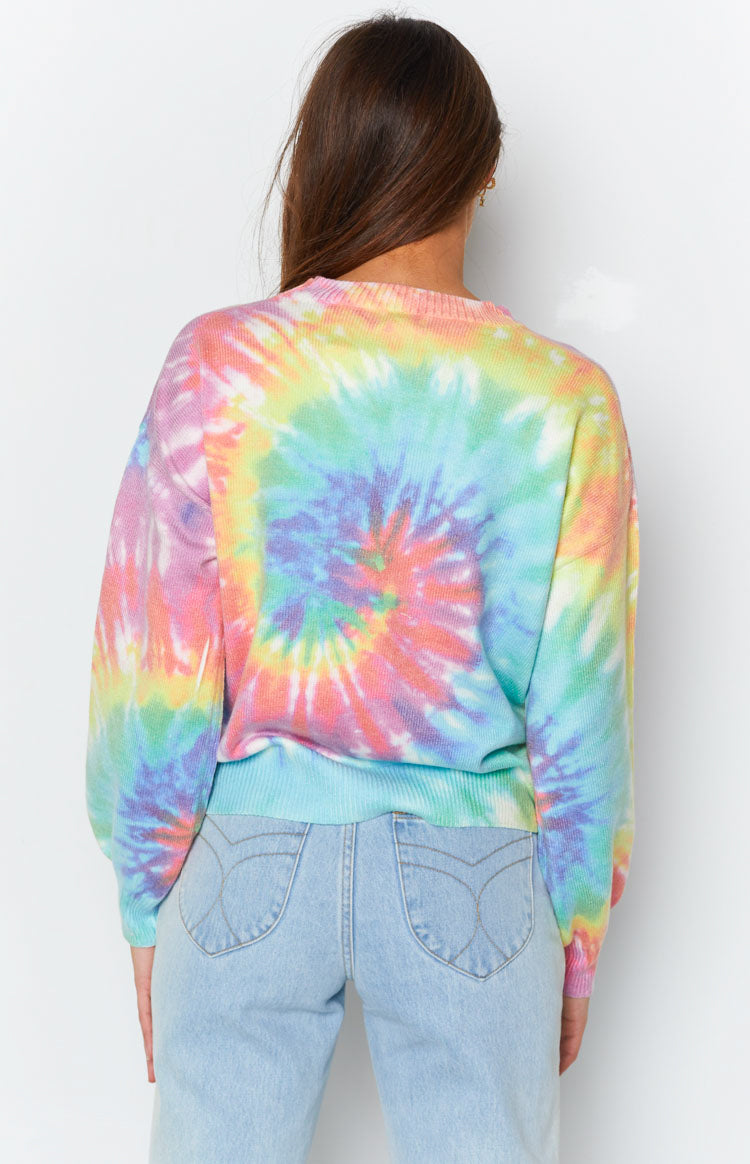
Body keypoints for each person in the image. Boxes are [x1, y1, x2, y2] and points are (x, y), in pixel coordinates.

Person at [85, 13, 639, 1163]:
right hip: (475, 865)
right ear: (484, 171)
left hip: (247, 855)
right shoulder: (565, 399)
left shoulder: (219, 366)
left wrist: (147, 898)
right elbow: (582, 709)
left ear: (323, 158)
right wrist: (575, 937)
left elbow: (153, 669)